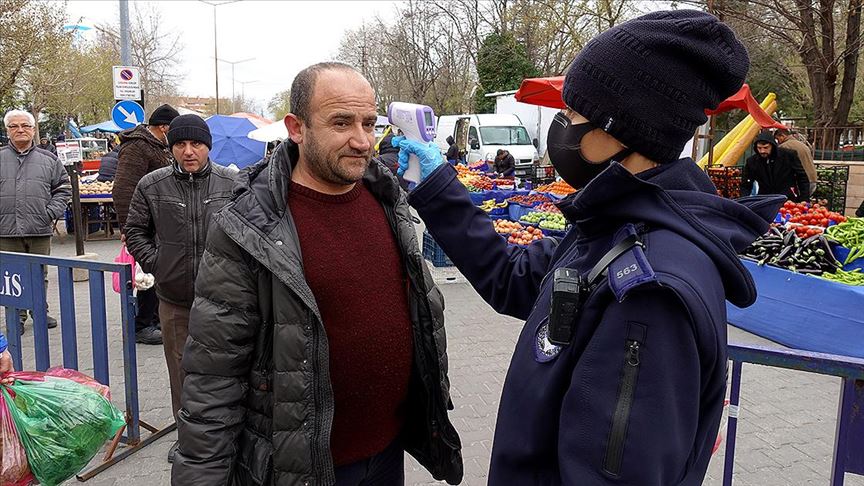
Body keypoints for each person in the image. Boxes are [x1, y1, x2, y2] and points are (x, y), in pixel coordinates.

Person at [395, 11, 784, 485]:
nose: (563, 127)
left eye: (574, 114)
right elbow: (514, 278)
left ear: (620, 131)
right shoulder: (612, 227)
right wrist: (437, 186)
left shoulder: (650, 289)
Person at [172, 62, 462, 486]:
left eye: (369, 123)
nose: (362, 140)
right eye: (341, 123)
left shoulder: (389, 200)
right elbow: (213, 377)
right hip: (301, 469)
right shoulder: (248, 225)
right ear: (297, 128)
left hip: (387, 454)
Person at [125, 114, 236, 463]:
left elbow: (250, 230)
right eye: (180, 144)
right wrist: (158, 265)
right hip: (175, 300)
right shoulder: (152, 185)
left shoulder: (231, 183)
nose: (189, 151)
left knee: (227, 370)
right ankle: (188, 438)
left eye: (196, 143)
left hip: (224, 300)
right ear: (170, 147)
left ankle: (227, 436)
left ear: (208, 146)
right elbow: (135, 230)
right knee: (181, 372)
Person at [112, 103, 180, 346]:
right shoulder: (137, 147)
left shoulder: (158, 146)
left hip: (161, 223)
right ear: (164, 128)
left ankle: (155, 320)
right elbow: (123, 188)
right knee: (145, 274)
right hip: (144, 224)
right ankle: (143, 324)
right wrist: (127, 227)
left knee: (156, 273)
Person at [1, 110, 72, 332]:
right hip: (5, 230)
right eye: (14, 126)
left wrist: (49, 213)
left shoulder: (49, 159)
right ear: (7, 131)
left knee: (39, 275)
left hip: (39, 228)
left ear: (33, 130)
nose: (20, 130)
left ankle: (39, 311)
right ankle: (17, 317)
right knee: (11, 277)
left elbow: (63, 188)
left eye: (25, 125)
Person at [743, 131, 810, 201]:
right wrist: (745, 200)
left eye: (766, 148)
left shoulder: (788, 156)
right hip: (765, 199)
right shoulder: (752, 161)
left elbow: (802, 177)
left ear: (772, 146)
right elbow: (746, 183)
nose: (762, 151)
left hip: (787, 198)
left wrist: (804, 199)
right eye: (759, 148)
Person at [775, 128, 817, 197]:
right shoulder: (802, 145)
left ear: (782, 136)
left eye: (777, 138)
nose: (778, 141)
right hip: (812, 178)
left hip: (801, 181)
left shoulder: (784, 147)